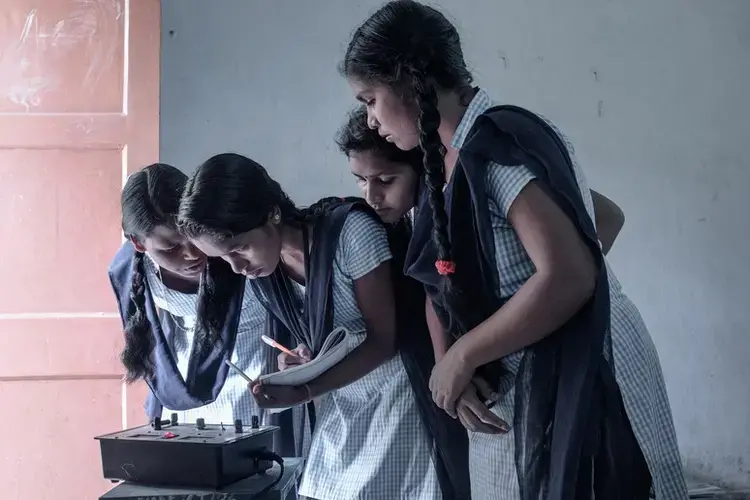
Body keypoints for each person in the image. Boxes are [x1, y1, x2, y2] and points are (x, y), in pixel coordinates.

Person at [341, 2, 688, 499]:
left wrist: (465, 354)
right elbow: (439, 282)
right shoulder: (444, 161)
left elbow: (568, 275)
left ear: (406, 79)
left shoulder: (499, 143)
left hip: (579, 370)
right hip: (516, 375)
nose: (370, 120)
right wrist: (451, 369)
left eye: (370, 99)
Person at [178, 153, 465, 500]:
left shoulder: (351, 232)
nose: (237, 267)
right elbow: (327, 337)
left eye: (239, 249)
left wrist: (305, 390)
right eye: (224, 258)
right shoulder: (267, 272)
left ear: (272, 213)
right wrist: (304, 362)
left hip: (398, 393)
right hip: (342, 399)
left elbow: (383, 340)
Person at [108, 163, 272, 433]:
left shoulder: (236, 249)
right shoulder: (134, 271)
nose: (192, 255)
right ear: (139, 244)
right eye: (170, 247)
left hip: (257, 366)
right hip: (188, 373)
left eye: (193, 238)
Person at [336, 105, 626, 254]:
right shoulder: (393, 223)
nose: (371, 196)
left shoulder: (477, 180)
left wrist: (579, 287)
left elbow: (609, 216)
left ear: (424, 168)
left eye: (386, 180)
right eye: (360, 180)